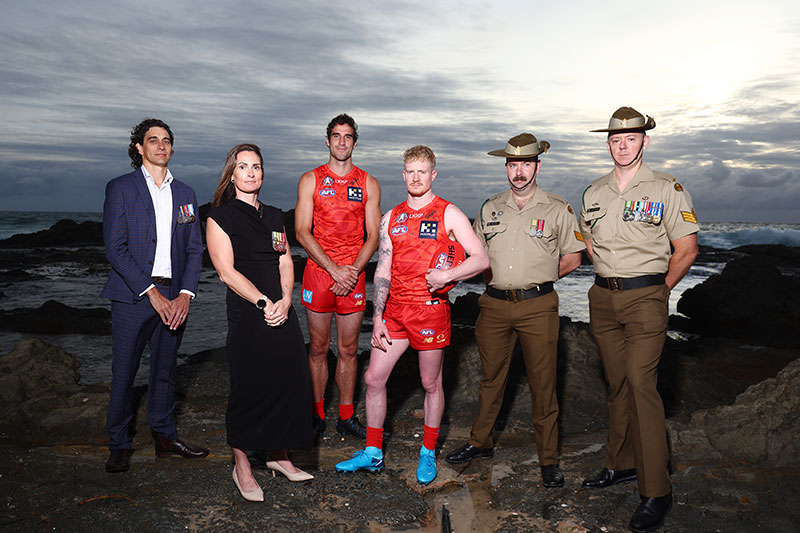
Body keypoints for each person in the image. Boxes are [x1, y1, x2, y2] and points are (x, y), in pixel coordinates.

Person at [335, 145, 489, 485]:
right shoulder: (392, 217)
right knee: (373, 378)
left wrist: (448, 276)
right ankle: (373, 453)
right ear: (403, 175)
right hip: (395, 313)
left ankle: (428, 451)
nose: (416, 177)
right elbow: (384, 270)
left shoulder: (449, 213)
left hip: (430, 312)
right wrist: (376, 317)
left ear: (433, 175)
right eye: (410, 171)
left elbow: (480, 258)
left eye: (423, 171)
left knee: (430, 383)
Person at [580, 107, 699, 532]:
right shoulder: (593, 192)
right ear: (608, 143)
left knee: (641, 385)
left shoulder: (667, 188)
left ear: (644, 142)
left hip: (647, 296)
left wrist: (660, 289)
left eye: (631, 138)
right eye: (616, 139)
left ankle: (656, 490)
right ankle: (621, 464)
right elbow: (591, 243)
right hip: (602, 299)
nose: (623, 145)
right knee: (617, 385)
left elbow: (687, 248)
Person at [444, 133, 584, 488]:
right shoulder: (489, 207)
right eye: (512, 164)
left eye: (525, 164)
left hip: (538, 306)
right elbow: (473, 253)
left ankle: (549, 459)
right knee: (491, 379)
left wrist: (537, 277)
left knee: (543, 383)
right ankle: (480, 443)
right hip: (493, 306)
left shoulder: (557, 207)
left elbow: (573, 256)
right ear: (506, 168)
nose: (519, 171)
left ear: (537, 165)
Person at [206, 144, 314, 501]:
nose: (250, 173)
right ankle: (242, 466)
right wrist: (263, 302)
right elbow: (225, 271)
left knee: (291, 377)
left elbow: (284, 260)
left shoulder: (273, 216)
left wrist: (286, 299)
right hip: (249, 311)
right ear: (232, 174)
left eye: (256, 167)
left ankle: (278, 455)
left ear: (263, 174)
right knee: (249, 385)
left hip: (280, 307)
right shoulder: (220, 217)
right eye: (243, 167)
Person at [102, 118, 208, 473]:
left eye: (166, 140)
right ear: (139, 147)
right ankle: (119, 443)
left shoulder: (187, 194)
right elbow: (115, 249)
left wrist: (185, 294)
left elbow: (195, 249)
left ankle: (165, 437)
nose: (161, 146)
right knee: (125, 372)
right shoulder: (120, 188)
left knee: (165, 372)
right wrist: (151, 293)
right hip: (134, 295)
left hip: (174, 295)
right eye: (153, 140)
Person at [295, 114, 381, 440]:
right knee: (318, 349)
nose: (341, 142)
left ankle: (346, 416)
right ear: (327, 140)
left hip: (354, 276)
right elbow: (302, 232)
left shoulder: (369, 183)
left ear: (354, 142)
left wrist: (352, 272)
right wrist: (334, 270)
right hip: (320, 275)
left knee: (348, 350)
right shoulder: (311, 179)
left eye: (347, 136)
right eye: (336, 136)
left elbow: (372, 235)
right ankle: (316, 415)